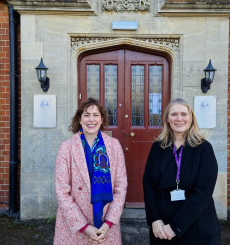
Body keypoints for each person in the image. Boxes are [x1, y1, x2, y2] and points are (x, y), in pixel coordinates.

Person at [143, 98, 221, 245]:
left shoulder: (204, 149)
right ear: (167, 118)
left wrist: (176, 227)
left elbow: (203, 192)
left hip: (195, 226)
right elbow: (148, 184)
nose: (179, 118)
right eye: (174, 114)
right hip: (162, 228)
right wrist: (154, 219)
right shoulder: (157, 147)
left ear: (191, 118)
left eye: (184, 114)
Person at [54, 98, 127, 245]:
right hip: (74, 227)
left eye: (95, 115)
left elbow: (121, 187)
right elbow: (61, 192)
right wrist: (85, 227)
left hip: (106, 228)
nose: (91, 119)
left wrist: (108, 223)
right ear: (79, 119)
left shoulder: (114, 146)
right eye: (86, 115)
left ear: (102, 119)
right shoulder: (66, 148)